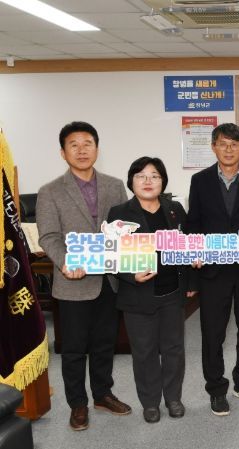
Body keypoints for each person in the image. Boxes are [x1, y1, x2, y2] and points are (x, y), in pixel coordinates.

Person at [36, 121, 132, 431]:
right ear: (63, 152)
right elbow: (49, 236)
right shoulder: (50, 191)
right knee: (74, 348)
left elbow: (123, 230)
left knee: (105, 343)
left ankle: (103, 394)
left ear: (97, 149)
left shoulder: (115, 185)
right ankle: (77, 403)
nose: (81, 150)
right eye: (73, 145)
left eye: (87, 143)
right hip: (73, 281)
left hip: (108, 279)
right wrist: (65, 262)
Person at [186, 123, 239, 416]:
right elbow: (193, 224)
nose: (229, 149)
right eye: (223, 143)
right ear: (214, 147)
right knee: (213, 333)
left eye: (235, 144)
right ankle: (216, 389)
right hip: (213, 271)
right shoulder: (200, 180)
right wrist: (195, 250)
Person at [107, 157, 195, 424]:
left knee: (174, 349)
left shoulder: (175, 209)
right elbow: (110, 255)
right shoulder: (119, 213)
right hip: (137, 294)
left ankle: (173, 398)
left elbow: (188, 245)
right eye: (141, 176)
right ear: (131, 181)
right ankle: (150, 402)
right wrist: (130, 275)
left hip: (172, 293)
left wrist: (191, 282)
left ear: (163, 181)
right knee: (144, 352)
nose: (148, 181)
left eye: (154, 176)